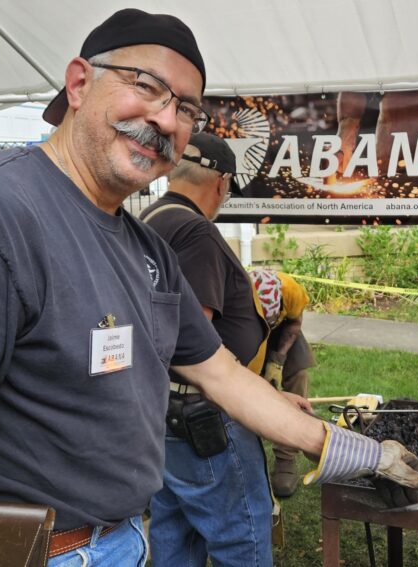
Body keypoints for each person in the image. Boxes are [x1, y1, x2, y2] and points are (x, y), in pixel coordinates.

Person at [0, 9, 418, 566]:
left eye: (186, 108)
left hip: (119, 541)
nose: (165, 120)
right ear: (78, 83)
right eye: (145, 85)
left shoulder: (145, 248)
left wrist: (353, 450)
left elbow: (220, 374)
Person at [139, 133, 274, 566]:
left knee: (175, 533)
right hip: (207, 417)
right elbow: (190, 341)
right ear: (221, 182)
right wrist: (252, 399)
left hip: (166, 412)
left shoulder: (150, 219)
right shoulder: (195, 231)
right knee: (243, 539)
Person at [249, 269, 317, 498]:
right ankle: (245, 454)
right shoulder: (239, 295)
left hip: (283, 332)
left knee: (298, 376)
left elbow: (294, 325)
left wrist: (278, 361)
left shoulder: (292, 291)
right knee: (245, 386)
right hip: (248, 332)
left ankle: (286, 459)